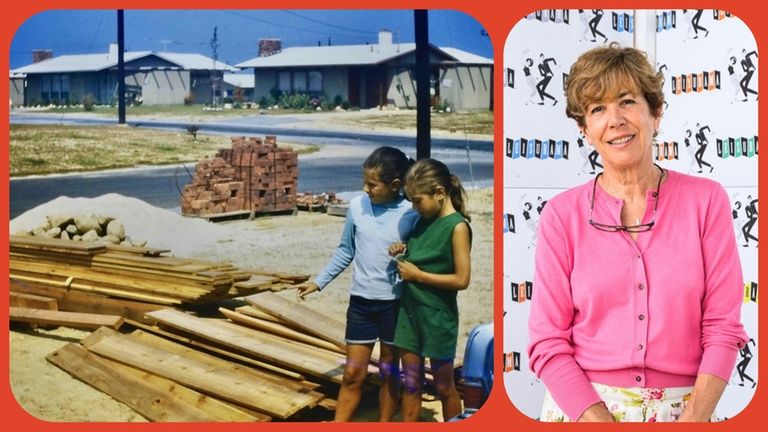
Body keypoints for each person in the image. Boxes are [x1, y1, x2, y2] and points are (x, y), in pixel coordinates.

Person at [527, 44, 749, 423]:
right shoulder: (560, 217)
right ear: (584, 129)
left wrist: (693, 418)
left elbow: (723, 327)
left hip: (686, 412)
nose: (614, 120)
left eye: (627, 102)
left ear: (656, 112)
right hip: (584, 413)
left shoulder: (706, 201)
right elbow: (547, 342)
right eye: (597, 110)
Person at [295, 146, 419, 422]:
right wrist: (319, 282)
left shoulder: (411, 213)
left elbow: (422, 254)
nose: (365, 189)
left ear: (395, 185)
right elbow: (345, 250)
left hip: (395, 306)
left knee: (388, 372)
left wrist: (407, 249)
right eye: (364, 182)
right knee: (353, 373)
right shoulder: (356, 207)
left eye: (372, 184)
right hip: (361, 305)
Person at [388, 158, 472, 421]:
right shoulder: (422, 220)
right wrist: (402, 249)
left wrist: (418, 275)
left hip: (437, 317)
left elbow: (462, 280)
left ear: (439, 193)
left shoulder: (457, 227)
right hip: (410, 313)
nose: (414, 207)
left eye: (417, 200)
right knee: (411, 385)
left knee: (444, 387)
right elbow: (422, 253)